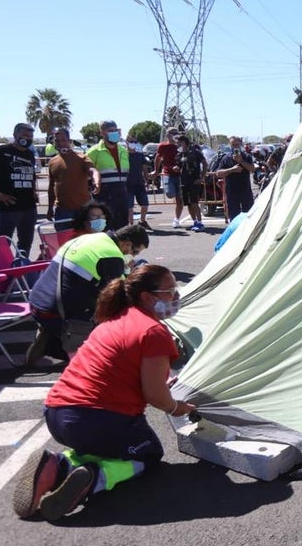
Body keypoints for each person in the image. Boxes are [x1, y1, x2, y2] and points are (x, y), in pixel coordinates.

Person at [13, 264, 194, 521]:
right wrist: (177, 408)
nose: (176, 296)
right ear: (147, 297)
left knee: (108, 445)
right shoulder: (153, 332)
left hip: (56, 414)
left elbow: (124, 365)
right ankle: (96, 478)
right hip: (97, 420)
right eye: (170, 291)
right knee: (148, 453)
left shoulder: (114, 320)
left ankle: (59, 464)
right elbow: (155, 395)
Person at [24, 223, 150, 365]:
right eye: (135, 252)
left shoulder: (92, 238)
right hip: (56, 311)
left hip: (37, 302)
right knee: (113, 317)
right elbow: (118, 294)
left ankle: (51, 337)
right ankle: (59, 345)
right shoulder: (111, 255)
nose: (133, 256)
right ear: (127, 244)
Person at [0, 122, 39, 257]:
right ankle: (1, 269)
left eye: (30, 136)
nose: (28, 139)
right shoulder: (0, 152)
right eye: (25, 135)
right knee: (3, 245)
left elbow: (31, 176)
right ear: (15, 135)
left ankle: (21, 267)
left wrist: (33, 191)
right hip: (8, 209)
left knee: (25, 244)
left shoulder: (29, 154)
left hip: (29, 208)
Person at [85, 119, 131, 231]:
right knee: (105, 230)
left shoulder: (123, 151)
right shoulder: (93, 152)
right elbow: (85, 175)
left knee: (122, 230)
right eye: (110, 131)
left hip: (122, 196)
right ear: (102, 133)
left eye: (115, 130)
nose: (114, 133)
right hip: (103, 197)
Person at [46, 127, 95, 222]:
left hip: (82, 209)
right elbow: (51, 187)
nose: (60, 143)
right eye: (57, 141)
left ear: (69, 141)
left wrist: (96, 179)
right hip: (62, 211)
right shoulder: (52, 162)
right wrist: (50, 208)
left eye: (63, 140)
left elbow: (92, 170)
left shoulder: (82, 158)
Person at [213, 135, 255, 219]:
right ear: (230, 145)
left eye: (237, 145)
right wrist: (232, 170)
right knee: (234, 217)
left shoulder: (247, 156)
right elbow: (218, 173)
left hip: (245, 192)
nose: (235, 147)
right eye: (233, 145)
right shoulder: (226, 158)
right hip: (231, 193)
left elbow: (252, 169)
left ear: (240, 145)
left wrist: (241, 161)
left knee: (249, 217)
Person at [176, 134, 208, 232]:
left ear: (184, 142)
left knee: (194, 202)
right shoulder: (179, 155)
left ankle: (200, 223)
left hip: (194, 181)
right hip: (184, 182)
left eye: (179, 142)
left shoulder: (195, 152)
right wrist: (176, 168)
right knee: (188, 204)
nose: (178, 144)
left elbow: (204, 163)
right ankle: (195, 222)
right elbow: (179, 166)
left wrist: (202, 176)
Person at [153, 127, 185, 228]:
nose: (175, 135)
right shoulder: (163, 146)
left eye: (176, 133)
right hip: (168, 173)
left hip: (180, 175)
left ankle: (176, 219)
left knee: (180, 199)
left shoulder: (180, 145)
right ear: (168, 135)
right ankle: (171, 190)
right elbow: (158, 158)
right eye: (173, 133)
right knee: (170, 193)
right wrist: (156, 170)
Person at [125, 140, 152, 230]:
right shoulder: (124, 156)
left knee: (145, 204)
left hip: (139, 183)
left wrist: (147, 180)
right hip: (128, 184)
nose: (133, 144)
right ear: (127, 144)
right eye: (131, 142)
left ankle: (142, 221)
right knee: (130, 206)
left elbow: (144, 168)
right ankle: (131, 225)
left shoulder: (140, 155)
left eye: (135, 142)